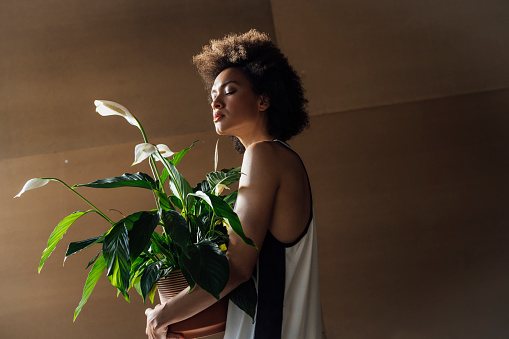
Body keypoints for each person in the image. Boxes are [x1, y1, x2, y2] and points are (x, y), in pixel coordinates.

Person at [145, 29, 322, 339]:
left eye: (229, 90)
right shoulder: (280, 157)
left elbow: (238, 268)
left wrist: (165, 314)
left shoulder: (264, 154)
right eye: (213, 92)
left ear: (264, 99)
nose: (216, 99)